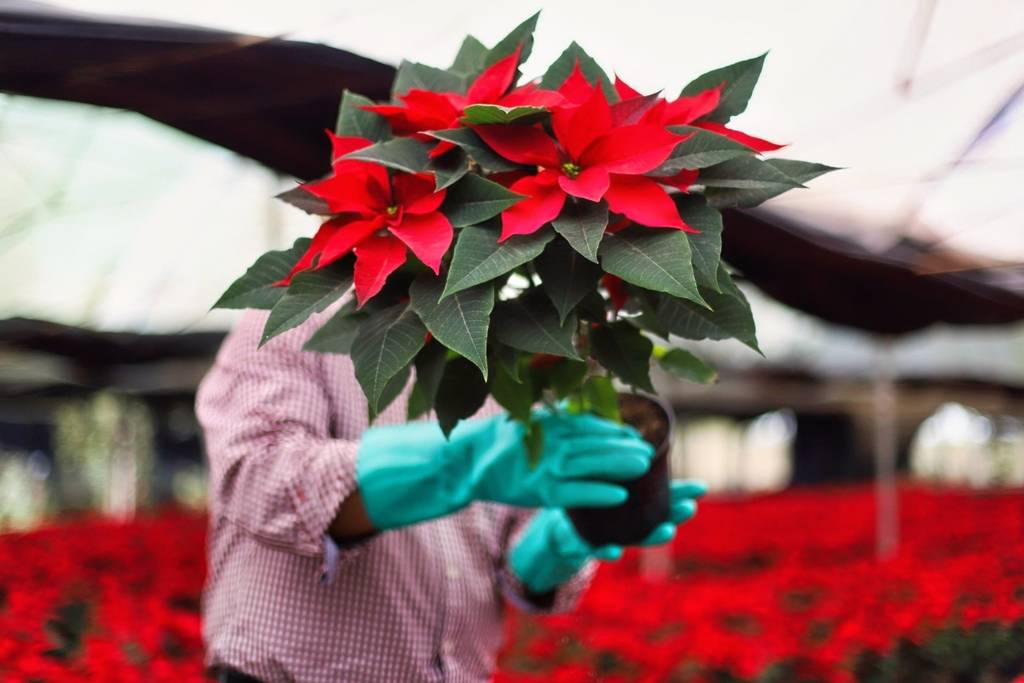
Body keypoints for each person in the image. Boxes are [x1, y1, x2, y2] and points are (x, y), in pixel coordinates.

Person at [196, 305, 706, 683]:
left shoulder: (505, 346)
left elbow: (514, 551)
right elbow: (262, 478)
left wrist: (563, 535)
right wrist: (461, 463)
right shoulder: (294, 315)